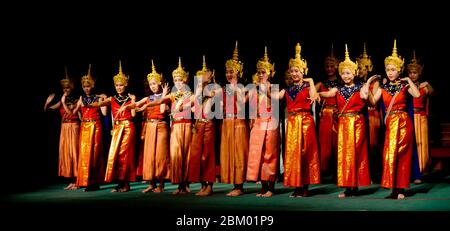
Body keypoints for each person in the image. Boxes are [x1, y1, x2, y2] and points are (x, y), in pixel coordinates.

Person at [366, 40, 420, 199]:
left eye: (393, 69)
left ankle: (401, 189)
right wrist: (369, 84)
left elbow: (417, 95)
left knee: (402, 155)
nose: (390, 72)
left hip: (403, 123)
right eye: (388, 69)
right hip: (390, 124)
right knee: (389, 155)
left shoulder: (404, 86)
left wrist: (409, 80)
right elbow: (371, 102)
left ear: (399, 70)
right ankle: (393, 189)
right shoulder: (383, 88)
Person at [319, 45, 371, 198]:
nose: (345, 76)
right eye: (343, 73)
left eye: (348, 73)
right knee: (344, 155)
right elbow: (327, 94)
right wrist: (316, 93)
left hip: (357, 123)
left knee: (357, 154)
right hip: (343, 124)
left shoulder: (360, 87)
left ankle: (355, 186)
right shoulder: (337, 89)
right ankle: (347, 187)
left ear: (354, 73)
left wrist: (367, 89)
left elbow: (367, 99)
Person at [273, 43, 320, 197]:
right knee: (293, 153)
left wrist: (311, 81)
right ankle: (296, 186)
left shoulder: (307, 86)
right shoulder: (287, 89)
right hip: (292, 122)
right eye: (292, 71)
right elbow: (275, 97)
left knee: (306, 153)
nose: (294, 74)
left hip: (306, 121)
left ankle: (305, 187)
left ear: (303, 72)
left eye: (297, 71)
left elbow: (314, 97)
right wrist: (264, 89)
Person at [87, 61, 137, 192]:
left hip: (127, 127)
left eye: (121, 85)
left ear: (125, 84)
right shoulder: (112, 99)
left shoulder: (130, 97)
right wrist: (89, 104)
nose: (119, 87)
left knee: (124, 155)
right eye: (117, 85)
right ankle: (120, 182)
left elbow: (133, 114)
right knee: (115, 155)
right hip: (117, 128)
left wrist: (133, 101)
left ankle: (125, 183)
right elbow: (98, 104)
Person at [246, 47, 280, 197]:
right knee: (257, 154)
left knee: (269, 154)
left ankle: (271, 186)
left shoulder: (274, 88)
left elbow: (275, 101)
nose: (260, 75)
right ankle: (263, 185)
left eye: (263, 72)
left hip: (270, 122)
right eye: (259, 72)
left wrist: (264, 88)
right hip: (258, 122)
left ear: (270, 73)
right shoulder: (254, 88)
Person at [134, 60, 170, 193]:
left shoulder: (166, 97)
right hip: (149, 127)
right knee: (149, 155)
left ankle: (161, 184)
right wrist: (127, 105)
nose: (153, 86)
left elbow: (161, 110)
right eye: (151, 84)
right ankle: (151, 183)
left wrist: (165, 94)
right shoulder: (148, 98)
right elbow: (136, 104)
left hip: (161, 126)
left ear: (160, 83)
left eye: (154, 83)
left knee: (160, 155)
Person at [219, 42, 249, 196]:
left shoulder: (242, 87)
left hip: (238, 122)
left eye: (232, 72)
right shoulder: (224, 89)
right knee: (228, 153)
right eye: (227, 72)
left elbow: (242, 104)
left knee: (238, 153)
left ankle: (239, 185)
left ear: (238, 72)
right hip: (226, 122)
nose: (229, 74)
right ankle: (233, 183)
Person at [44, 66, 80, 190]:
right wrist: (47, 103)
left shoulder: (76, 99)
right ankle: (71, 180)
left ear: (72, 88)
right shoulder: (62, 100)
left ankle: (77, 180)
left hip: (74, 127)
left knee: (74, 152)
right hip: (64, 128)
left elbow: (71, 113)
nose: (66, 89)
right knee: (66, 153)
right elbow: (49, 110)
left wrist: (64, 102)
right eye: (64, 88)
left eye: (68, 87)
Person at [188, 56, 217, 196]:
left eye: (203, 76)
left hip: (208, 125)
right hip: (197, 125)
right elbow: (192, 102)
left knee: (207, 155)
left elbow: (212, 96)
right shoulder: (198, 92)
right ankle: (202, 184)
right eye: (199, 77)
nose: (201, 79)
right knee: (196, 156)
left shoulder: (214, 89)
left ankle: (209, 185)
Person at [75, 64, 107, 191]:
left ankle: (95, 182)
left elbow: (104, 113)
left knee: (95, 153)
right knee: (85, 154)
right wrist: (80, 115)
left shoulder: (98, 97)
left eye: (88, 86)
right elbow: (73, 112)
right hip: (85, 127)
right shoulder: (81, 98)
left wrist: (103, 100)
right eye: (84, 86)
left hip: (96, 125)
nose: (86, 88)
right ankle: (86, 181)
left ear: (92, 85)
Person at [356, 43, 382, 183]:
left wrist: (367, 84)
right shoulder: (355, 82)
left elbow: (373, 100)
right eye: (358, 68)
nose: (358, 71)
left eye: (361, 68)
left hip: (372, 116)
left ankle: (374, 174)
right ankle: (362, 174)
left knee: (372, 146)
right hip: (360, 115)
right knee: (361, 145)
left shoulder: (375, 81)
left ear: (368, 68)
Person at [407, 51, 434, 184]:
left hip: (421, 117)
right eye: (410, 73)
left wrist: (427, 84)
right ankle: (411, 171)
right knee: (410, 144)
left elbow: (433, 93)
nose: (412, 75)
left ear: (419, 73)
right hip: (410, 116)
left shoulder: (424, 86)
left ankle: (421, 172)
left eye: (415, 73)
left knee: (421, 143)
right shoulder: (406, 86)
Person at [316, 45, 339, 180]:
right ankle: (325, 171)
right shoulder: (321, 83)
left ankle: (338, 171)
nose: (329, 69)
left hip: (337, 115)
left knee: (337, 143)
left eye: (332, 66)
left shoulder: (341, 82)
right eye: (327, 66)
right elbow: (311, 93)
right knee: (325, 144)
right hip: (325, 116)